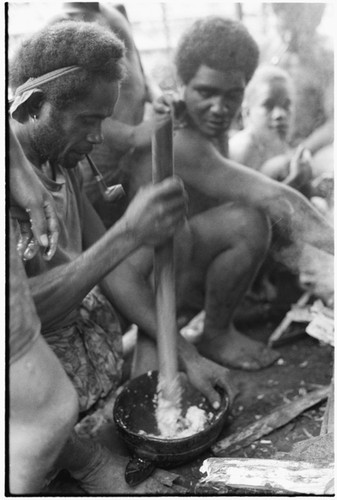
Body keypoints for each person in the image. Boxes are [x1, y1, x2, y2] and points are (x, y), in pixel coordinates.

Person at [9, 20, 234, 494]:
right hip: (25, 368)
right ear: (33, 107)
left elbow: (111, 273)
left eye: (104, 119)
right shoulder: (13, 186)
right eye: (89, 121)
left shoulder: (58, 161)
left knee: (145, 262)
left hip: (75, 335)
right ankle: (79, 456)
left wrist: (187, 354)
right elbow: (15, 322)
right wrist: (128, 232)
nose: (100, 137)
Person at [126, 16, 334, 374]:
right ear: (181, 85)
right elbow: (272, 196)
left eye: (232, 94)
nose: (220, 108)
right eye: (206, 92)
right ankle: (212, 333)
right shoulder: (181, 139)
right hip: (146, 284)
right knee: (250, 220)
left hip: (182, 264)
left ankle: (213, 327)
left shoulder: (203, 124)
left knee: (249, 218)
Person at [9, 126, 78, 494]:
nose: (97, 137)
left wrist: (16, 167)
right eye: (88, 121)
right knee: (47, 411)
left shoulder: (65, 171)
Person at [49, 2, 161, 228]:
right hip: (95, 164)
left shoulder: (116, 12)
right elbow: (72, 108)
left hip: (131, 153)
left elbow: (138, 70)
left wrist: (158, 97)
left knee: (143, 221)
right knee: (102, 228)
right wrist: (131, 135)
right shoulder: (61, 26)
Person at [260, 3, 334, 180]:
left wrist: (300, 150)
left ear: (313, 20)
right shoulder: (265, 50)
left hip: (309, 148)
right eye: (283, 26)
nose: (289, 36)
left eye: (297, 27)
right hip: (264, 145)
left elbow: (333, 124)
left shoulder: (328, 58)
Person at [229, 64, 312, 196]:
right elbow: (246, 210)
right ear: (247, 112)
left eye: (286, 105)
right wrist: (295, 180)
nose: (280, 114)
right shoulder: (245, 148)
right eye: (268, 105)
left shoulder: (277, 143)